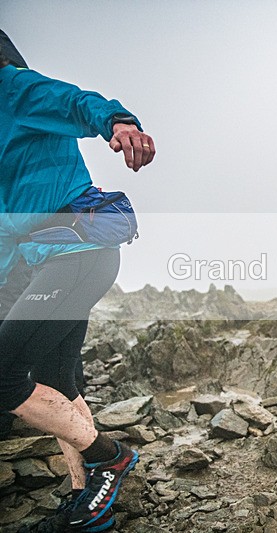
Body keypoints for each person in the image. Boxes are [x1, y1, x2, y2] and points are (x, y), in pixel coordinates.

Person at [0, 36, 155, 532]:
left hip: (79, 255)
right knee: (56, 380)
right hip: (53, 264)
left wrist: (119, 122)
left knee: (3, 376)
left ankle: (109, 457)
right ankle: (86, 497)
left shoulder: (12, 87)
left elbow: (76, 101)